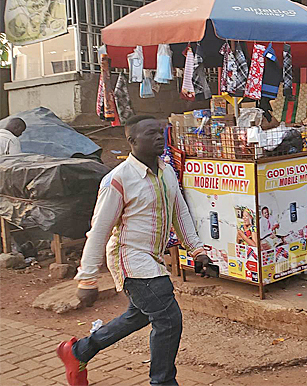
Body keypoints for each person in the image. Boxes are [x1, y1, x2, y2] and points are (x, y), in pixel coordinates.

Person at [57, 115, 212, 386]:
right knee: (168, 317)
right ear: (131, 141)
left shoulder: (167, 171)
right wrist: (87, 277)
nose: (158, 138)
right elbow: (99, 230)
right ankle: (162, 382)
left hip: (152, 257)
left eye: (161, 132)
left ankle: (79, 351)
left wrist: (197, 250)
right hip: (130, 257)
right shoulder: (117, 179)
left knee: (139, 315)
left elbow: (180, 212)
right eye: (150, 134)